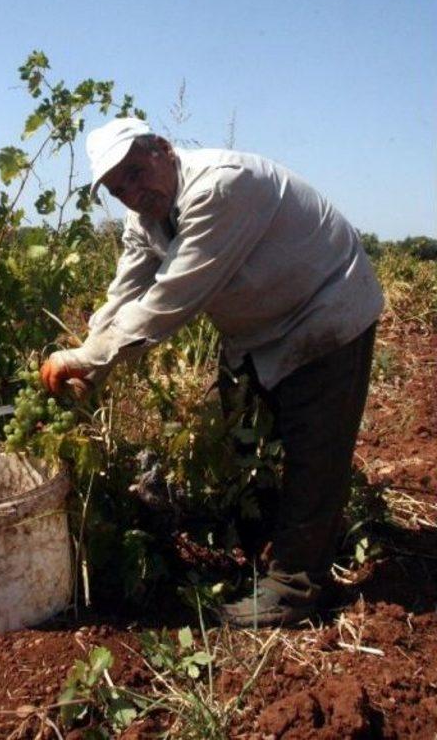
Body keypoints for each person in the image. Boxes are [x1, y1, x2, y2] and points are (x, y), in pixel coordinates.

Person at [40, 117, 384, 627]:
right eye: (119, 188)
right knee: (245, 439)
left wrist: (88, 361)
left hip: (325, 312)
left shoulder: (222, 186)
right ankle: (265, 544)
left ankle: (294, 587)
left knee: (315, 452)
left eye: (136, 172)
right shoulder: (146, 220)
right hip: (259, 332)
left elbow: (171, 298)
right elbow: (124, 294)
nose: (133, 192)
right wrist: (91, 353)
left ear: (162, 148)